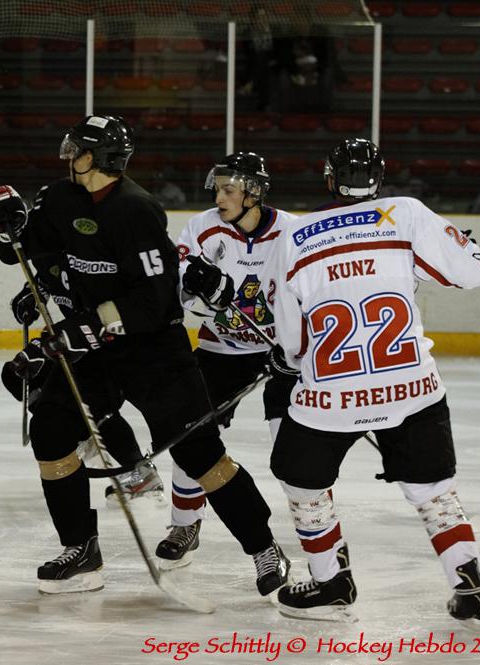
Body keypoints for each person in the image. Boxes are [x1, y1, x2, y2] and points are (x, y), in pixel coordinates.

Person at [0, 115, 289, 595]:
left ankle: (263, 546)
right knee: (50, 430)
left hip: (152, 349)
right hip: (92, 349)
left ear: (99, 159)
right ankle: (81, 549)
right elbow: (26, 251)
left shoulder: (138, 211)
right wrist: (8, 230)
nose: (69, 157)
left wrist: (81, 327)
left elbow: (151, 302)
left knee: (199, 451)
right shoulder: (58, 198)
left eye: (78, 151)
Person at [267, 138, 480, 633]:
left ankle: (331, 584)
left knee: (303, 483)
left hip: (330, 396)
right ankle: (471, 584)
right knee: (433, 490)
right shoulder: (406, 213)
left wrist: (294, 359)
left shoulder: (294, 235)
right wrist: (460, 243)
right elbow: (474, 273)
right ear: (379, 180)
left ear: (329, 180)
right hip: (411, 386)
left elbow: (290, 340)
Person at [156, 153, 299, 570]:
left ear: (253, 193)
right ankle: (185, 524)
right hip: (219, 350)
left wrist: (296, 346)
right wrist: (188, 282)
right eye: (217, 188)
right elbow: (176, 279)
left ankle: (317, 533)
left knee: (293, 449)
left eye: (229, 189)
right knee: (192, 435)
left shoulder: (292, 231)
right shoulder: (202, 227)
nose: (218, 197)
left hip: (282, 357)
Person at [1, 253, 164, 507]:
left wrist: (57, 340)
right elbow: (49, 276)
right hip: (76, 333)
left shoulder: (91, 249)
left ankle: (140, 471)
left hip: (114, 339)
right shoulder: (52, 241)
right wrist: (33, 294)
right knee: (14, 373)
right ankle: (81, 430)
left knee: (94, 398)